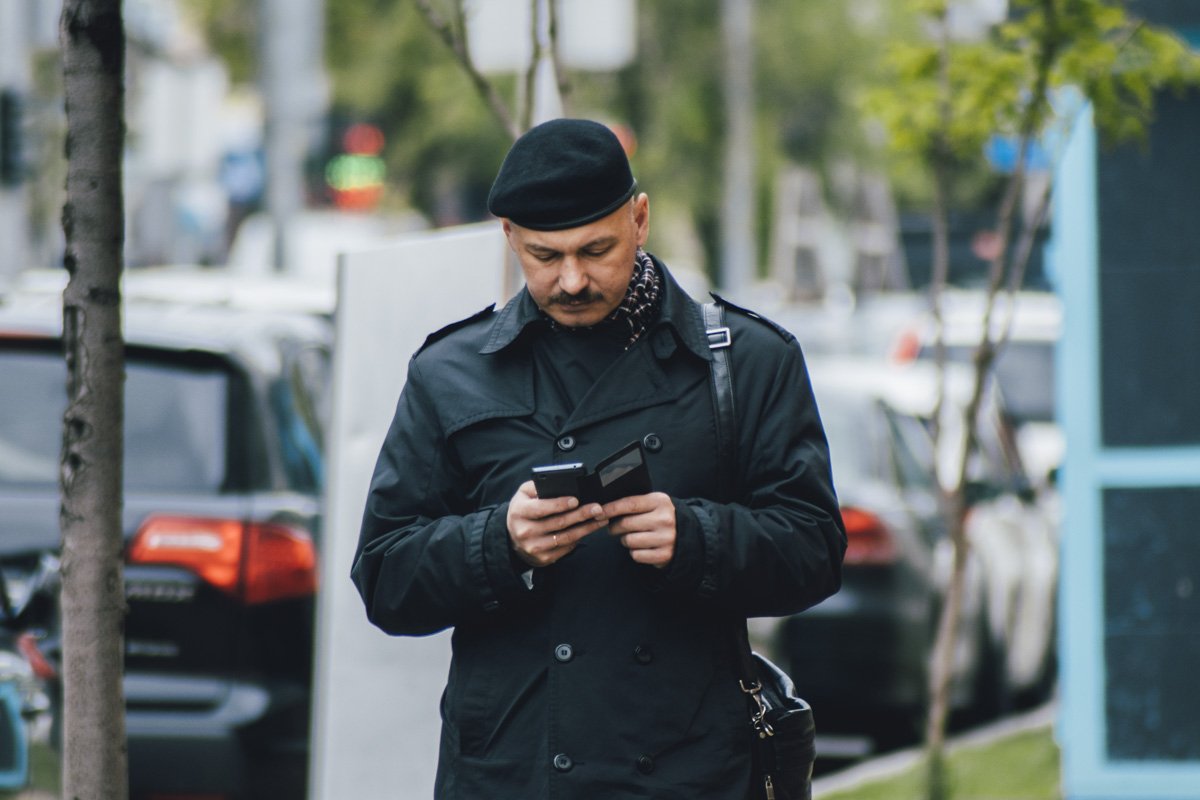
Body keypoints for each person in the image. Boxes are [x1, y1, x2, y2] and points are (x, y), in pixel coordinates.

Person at [352, 118, 846, 799]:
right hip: (513, 773)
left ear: (640, 220)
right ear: (509, 239)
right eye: (545, 257)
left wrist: (695, 538)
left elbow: (816, 550)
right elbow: (384, 577)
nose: (573, 279)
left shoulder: (747, 362)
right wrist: (499, 543)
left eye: (596, 249)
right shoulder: (451, 371)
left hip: (689, 773)